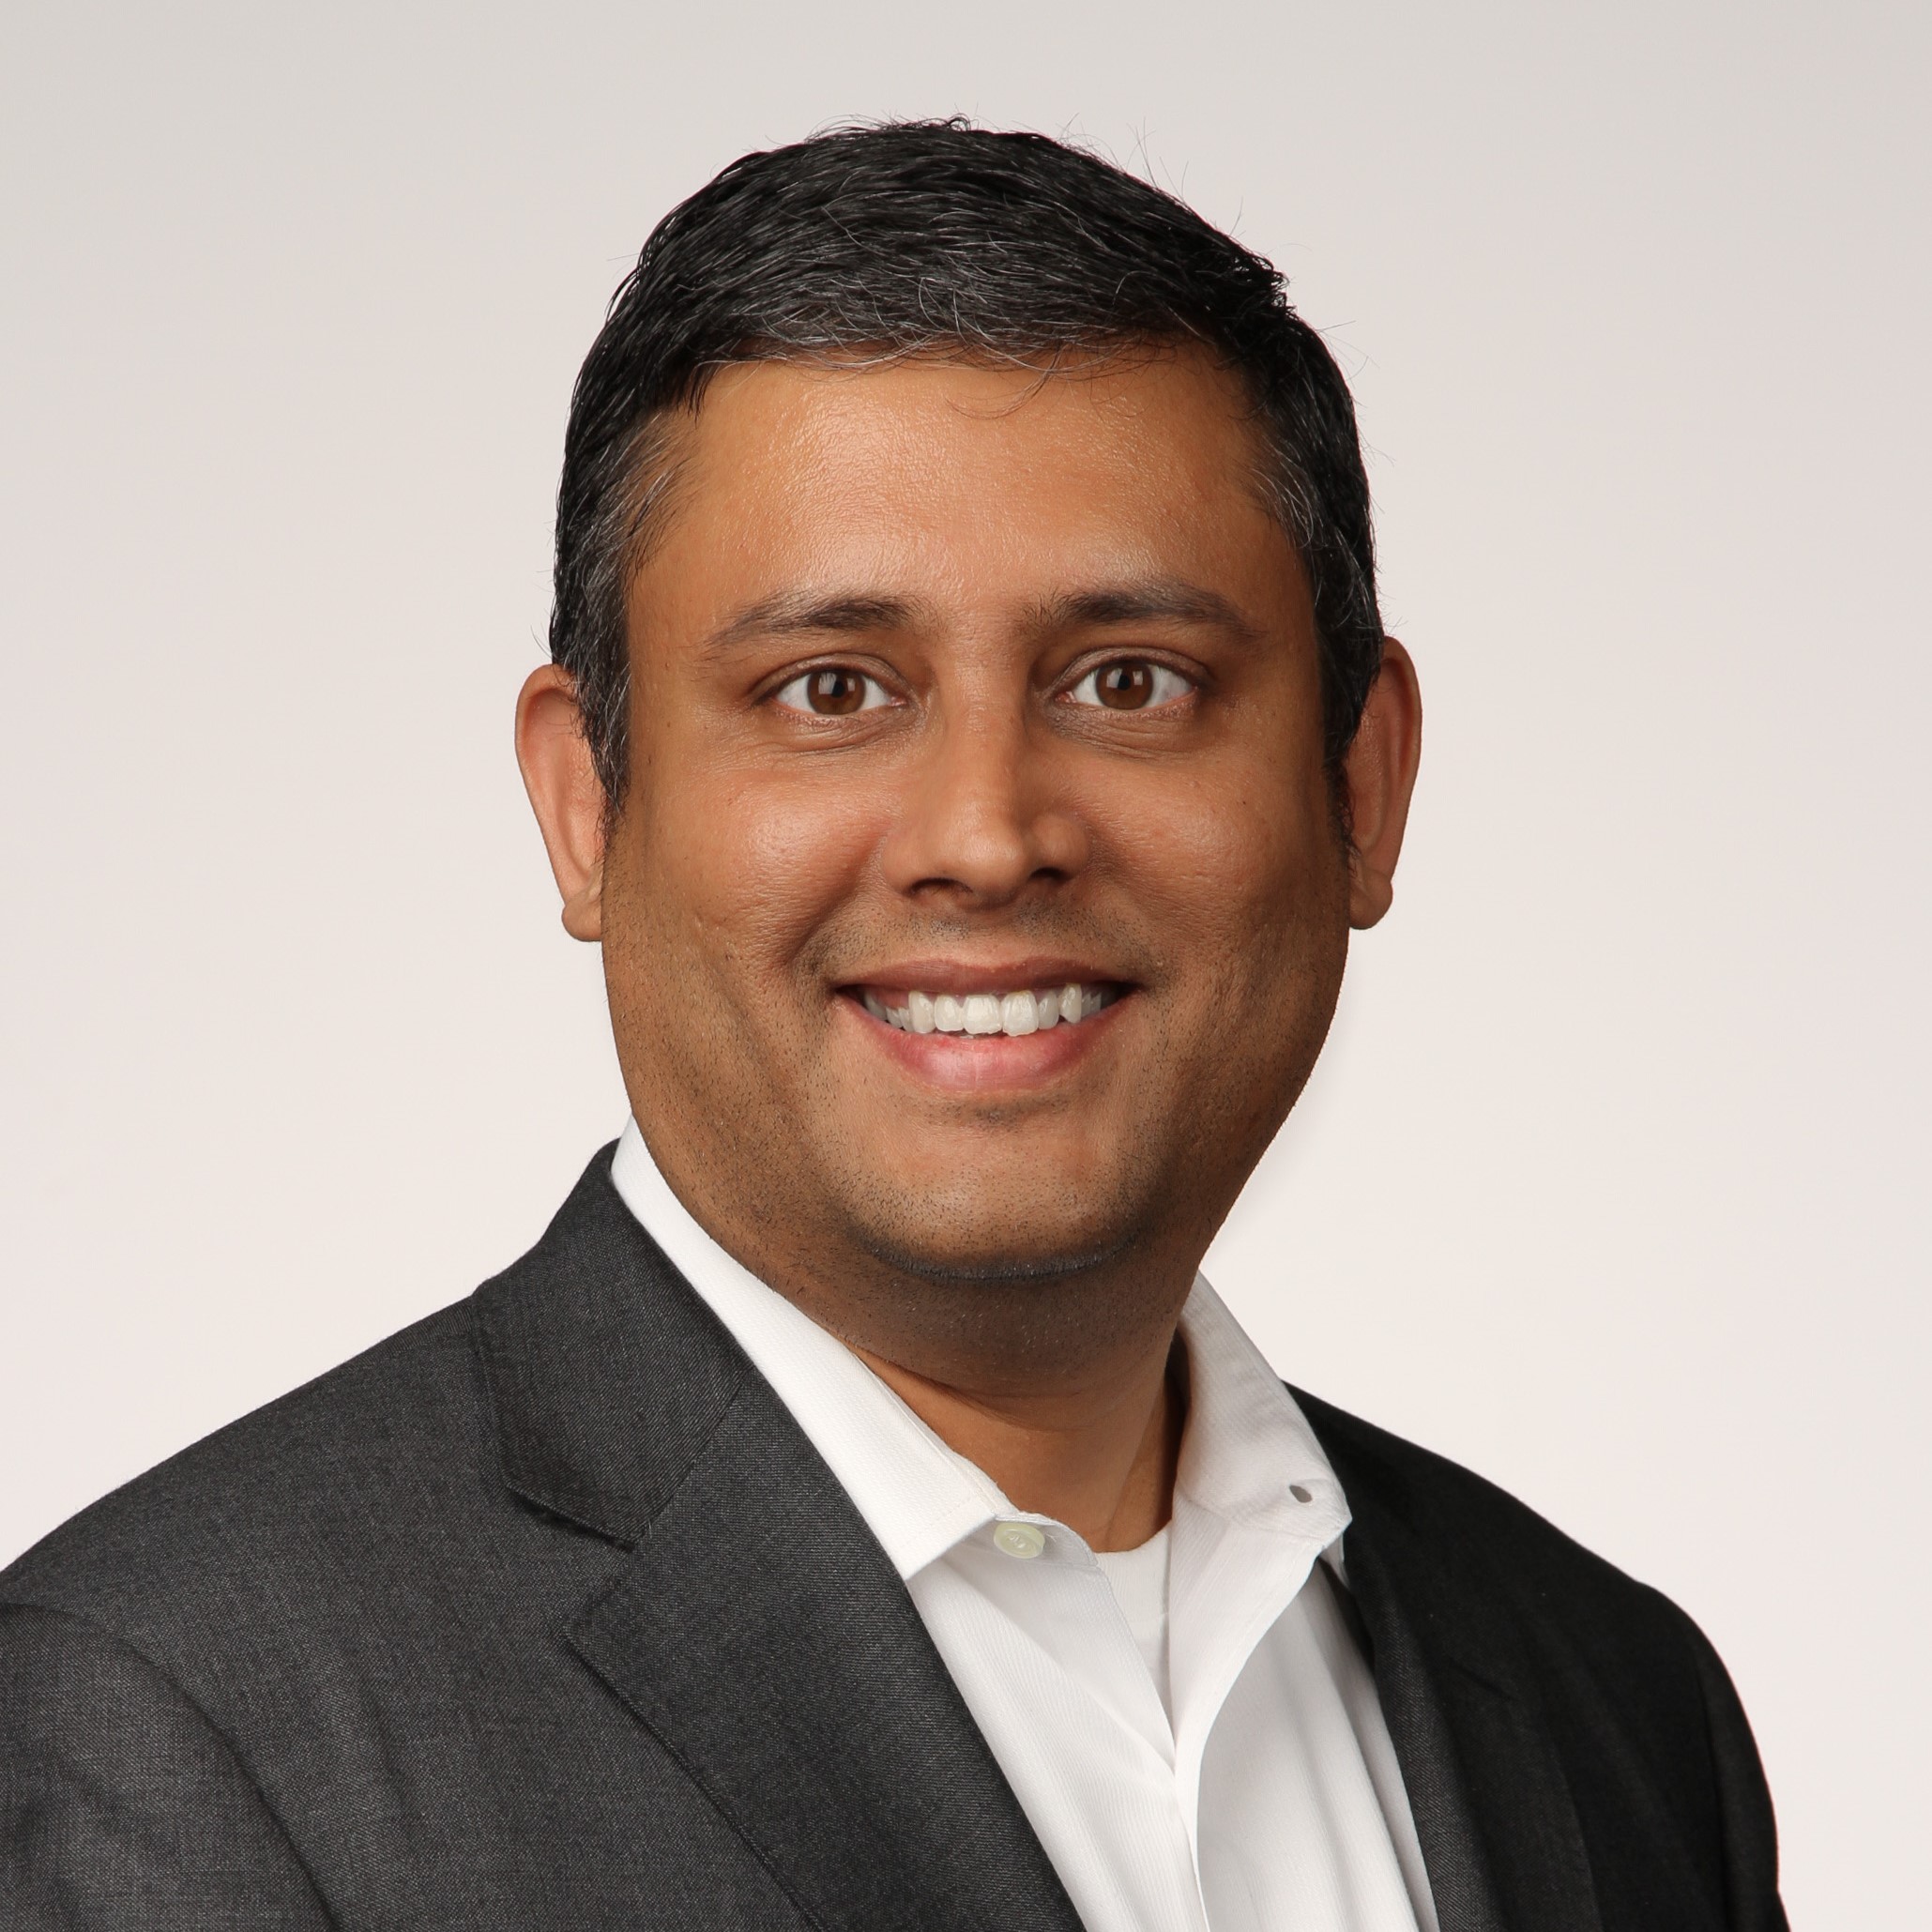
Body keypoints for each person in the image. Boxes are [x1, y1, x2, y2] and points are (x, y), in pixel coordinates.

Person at [0, 121, 1786, 1931]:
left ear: (1364, 786)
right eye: (830, 690)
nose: (988, 838)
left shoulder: (1619, 1708)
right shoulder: (170, 1729)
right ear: (585, 806)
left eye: (1132, 681)